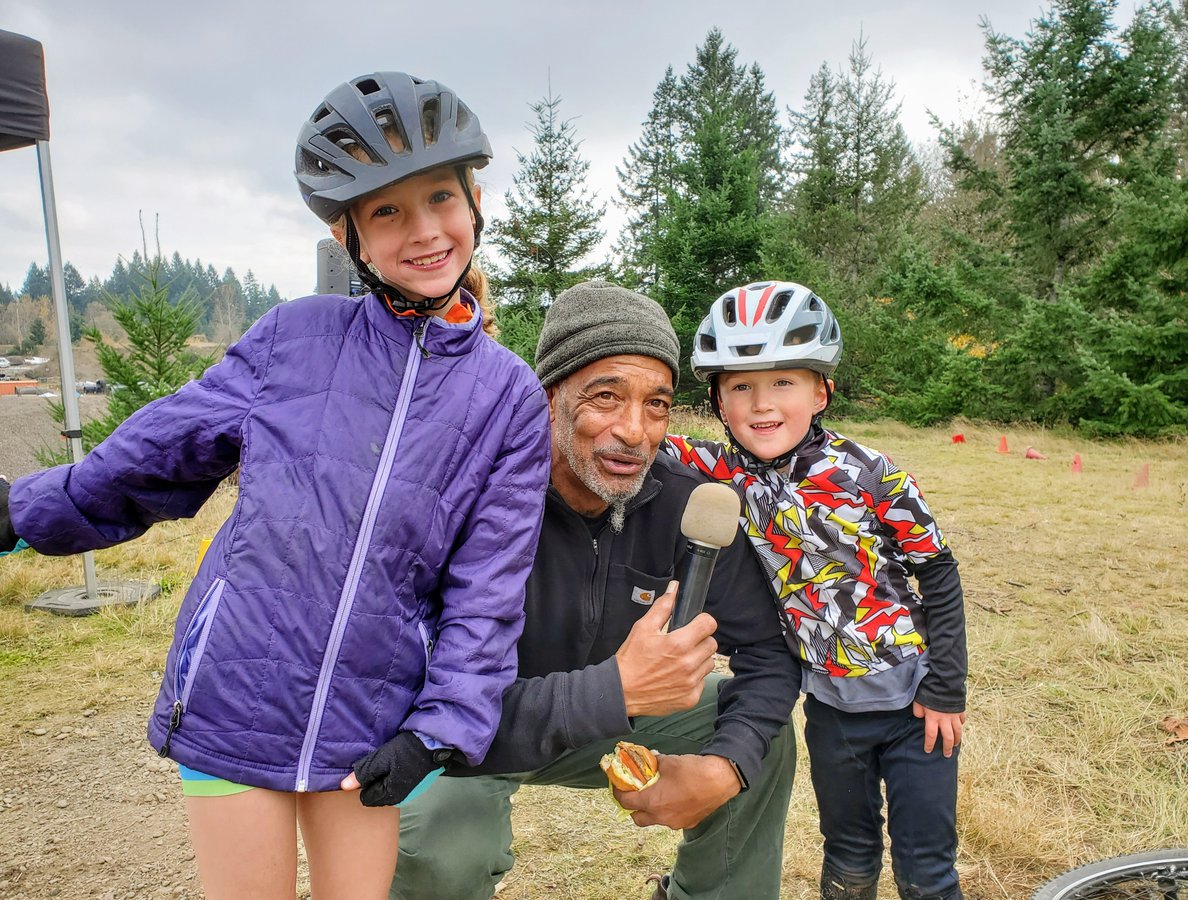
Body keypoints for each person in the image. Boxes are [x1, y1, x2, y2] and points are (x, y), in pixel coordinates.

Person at [0, 71, 550, 899]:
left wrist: (438, 730)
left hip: (370, 721)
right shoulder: (294, 337)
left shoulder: (508, 396)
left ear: (474, 201)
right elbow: (153, 453)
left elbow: (488, 587)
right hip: (236, 691)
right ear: (352, 236)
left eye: (440, 197)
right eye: (387, 210)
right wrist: (17, 510)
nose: (425, 230)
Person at [376, 280, 803, 900]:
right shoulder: (473, 498)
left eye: (656, 405)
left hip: (608, 715)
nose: (634, 431)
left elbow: (767, 654)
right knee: (435, 837)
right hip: (464, 735)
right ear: (549, 397)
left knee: (757, 738)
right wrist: (615, 688)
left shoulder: (687, 507)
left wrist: (723, 767)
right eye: (605, 397)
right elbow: (407, 695)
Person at [663, 280, 968, 900]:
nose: (761, 403)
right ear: (718, 402)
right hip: (829, 709)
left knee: (926, 870)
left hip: (915, 703)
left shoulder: (871, 472)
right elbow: (633, 436)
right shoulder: (724, 472)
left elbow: (937, 571)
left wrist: (946, 688)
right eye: (740, 386)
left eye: (783, 382)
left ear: (821, 390)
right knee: (849, 854)